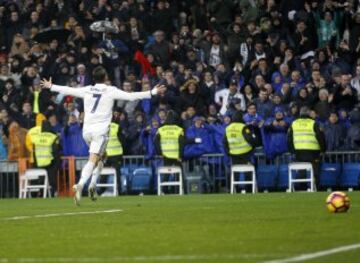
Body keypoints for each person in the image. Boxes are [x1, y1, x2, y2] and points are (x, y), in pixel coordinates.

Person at [40, 66, 166, 205]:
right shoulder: (110, 90)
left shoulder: (87, 89)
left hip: (86, 131)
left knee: (102, 156)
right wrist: (152, 91)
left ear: (94, 78)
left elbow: (69, 90)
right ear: (105, 77)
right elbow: (131, 96)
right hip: (100, 132)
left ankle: (93, 185)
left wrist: (50, 86)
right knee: (93, 159)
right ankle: (81, 184)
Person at [287, 106, 326, 189]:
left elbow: (289, 138)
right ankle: (316, 187)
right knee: (315, 170)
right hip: (313, 151)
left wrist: (292, 151)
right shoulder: (313, 123)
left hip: (298, 151)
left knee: (301, 170)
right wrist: (323, 149)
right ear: (308, 113)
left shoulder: (294, 123)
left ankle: (302, 187)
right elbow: (320, 137)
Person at [29, 120, 60, 196]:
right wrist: (57, 165)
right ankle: (51, 194)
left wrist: (35, 164)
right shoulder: (53, 137)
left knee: (40, 181)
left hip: (39, 164)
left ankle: (38, 195)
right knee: (51, 182)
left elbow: (34, 152)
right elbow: (56, 151)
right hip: (50, 163)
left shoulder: (36, 138)